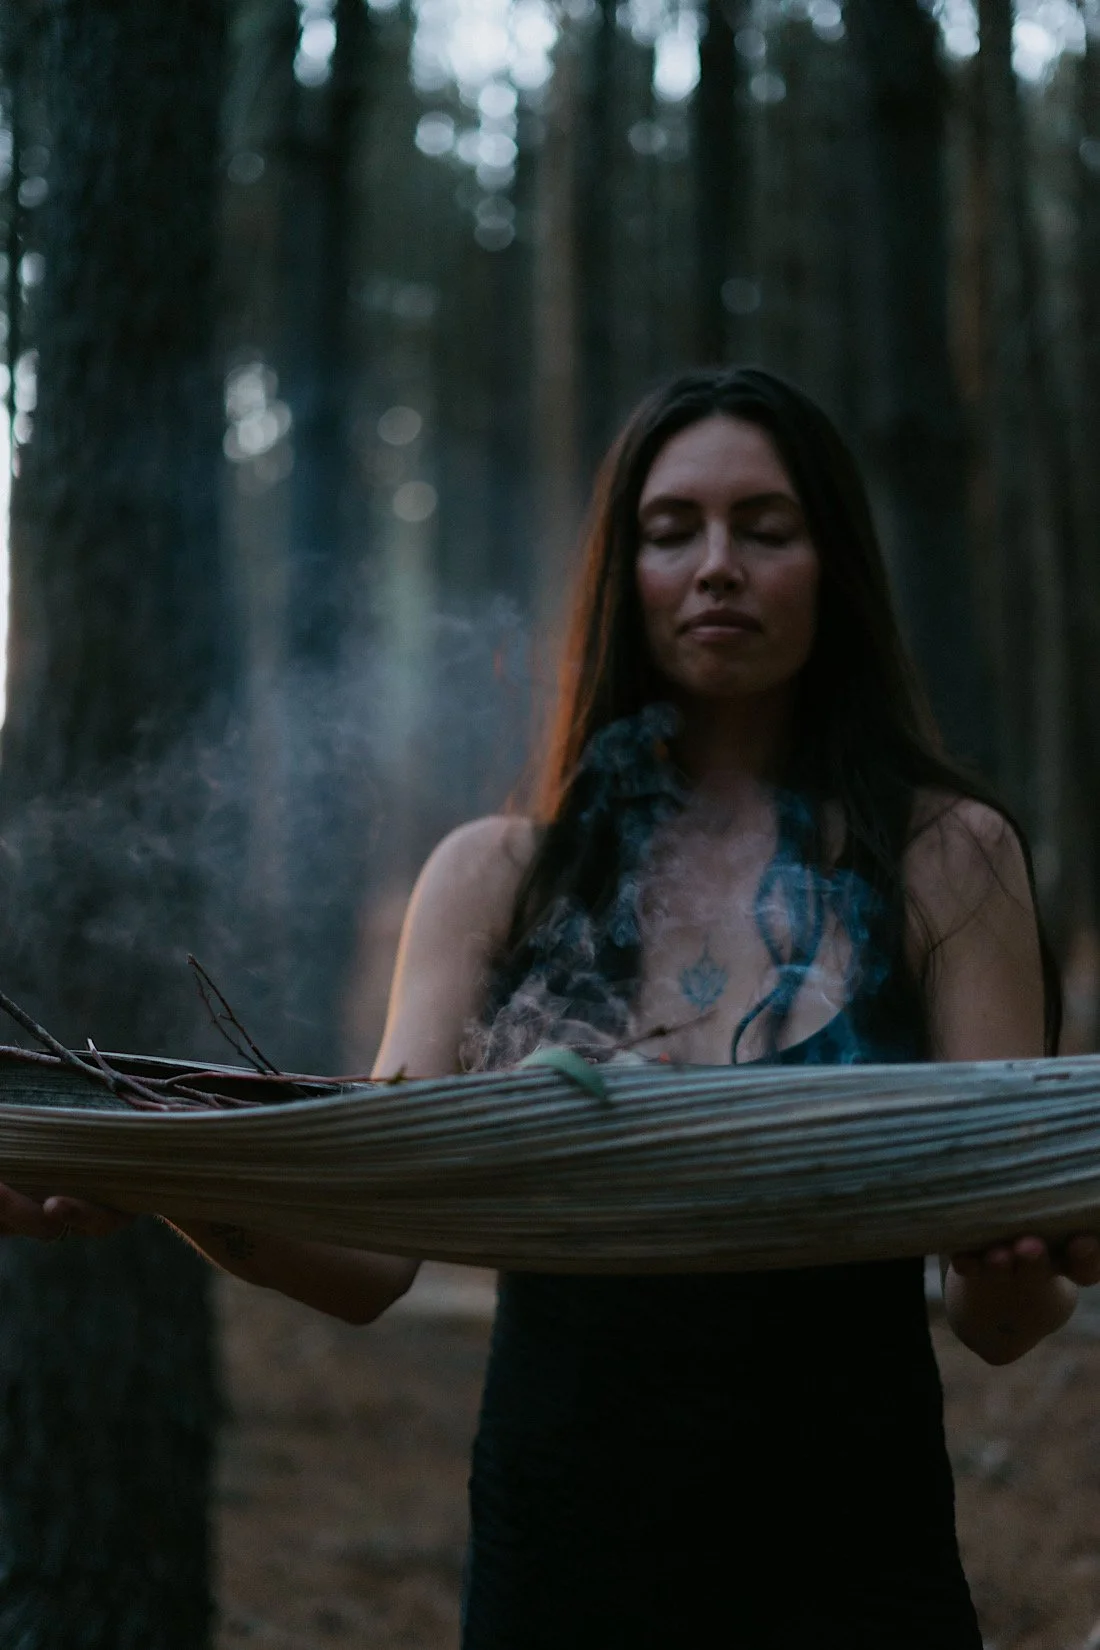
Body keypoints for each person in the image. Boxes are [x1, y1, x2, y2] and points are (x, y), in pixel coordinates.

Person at [3, 366, 1098, 1647]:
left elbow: (999, 1320)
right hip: (562, 1560)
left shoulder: (945, 861)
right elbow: (369, 1260)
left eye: (765, 526)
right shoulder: (490, 879)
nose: (716, 566)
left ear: (833, 564)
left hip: (852, 1554)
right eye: (669, 529)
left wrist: (1018, 1275)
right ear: (620, 574)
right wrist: (156, 1174)